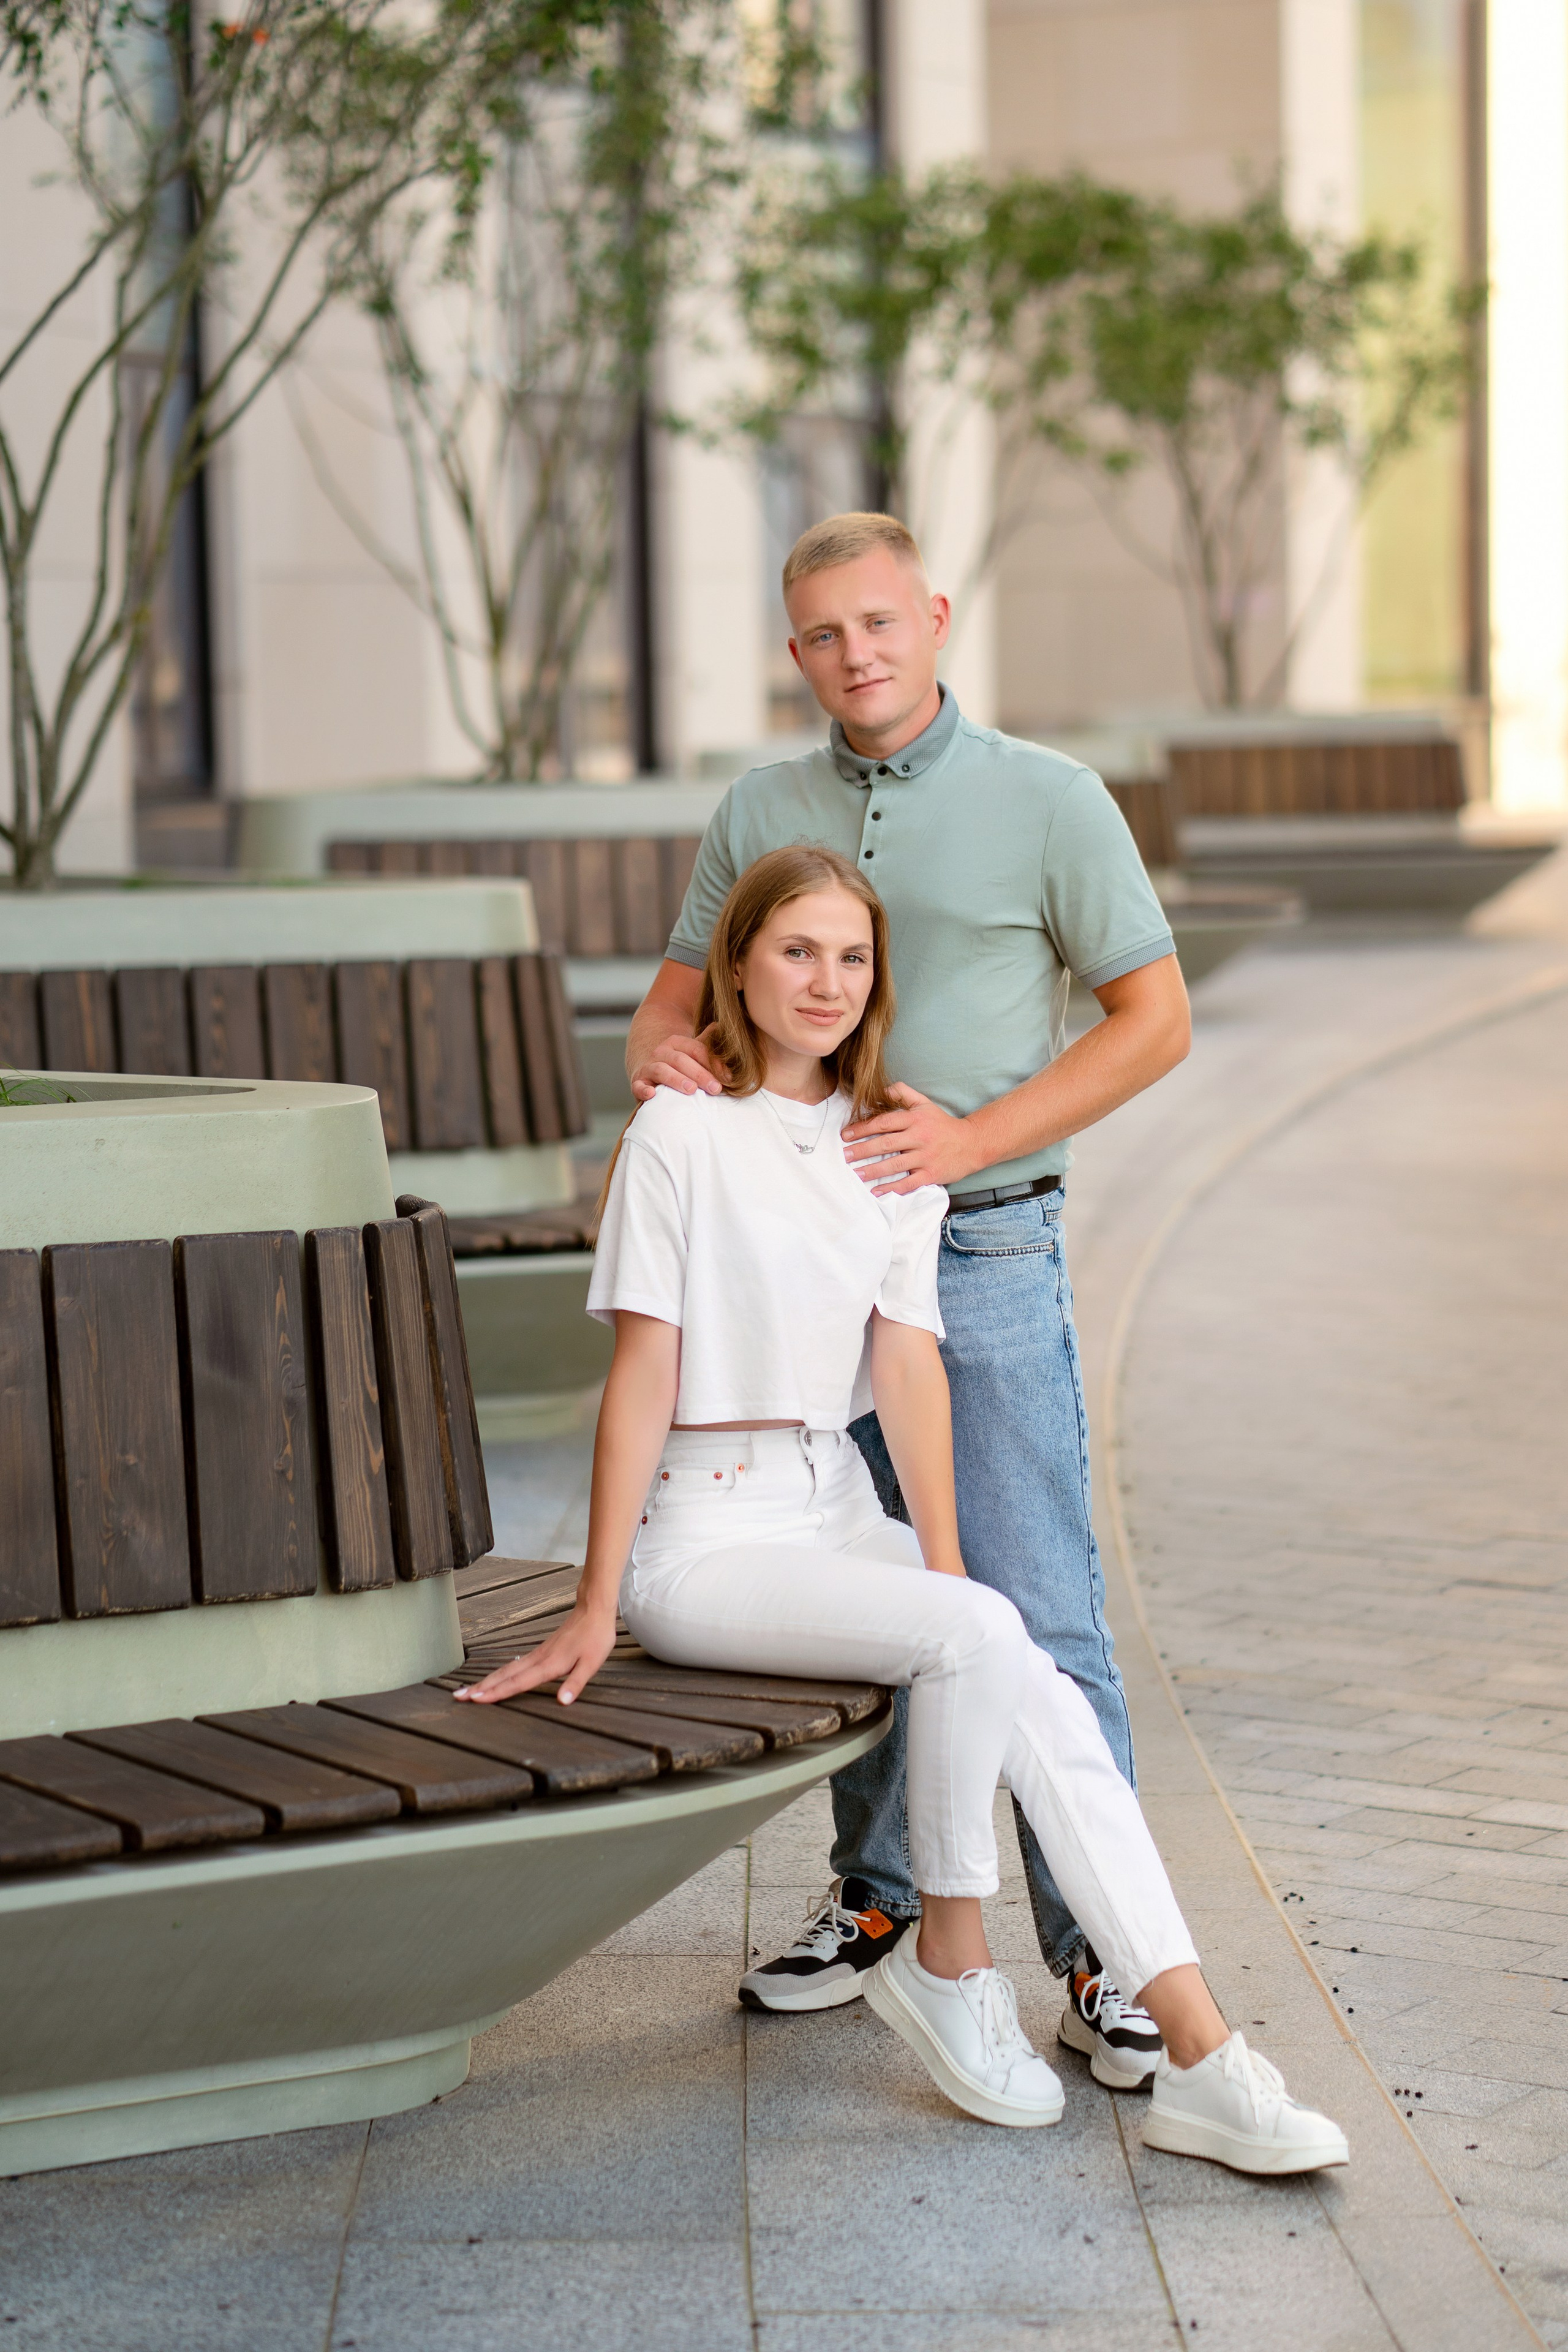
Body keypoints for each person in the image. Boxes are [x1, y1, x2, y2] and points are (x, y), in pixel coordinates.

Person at [459, 845, 1346, 2171]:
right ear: (740, 963)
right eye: (796, 952)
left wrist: (944, 1576)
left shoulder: (890, 1148)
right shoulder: (678, 1133)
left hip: (832, 1503)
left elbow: (904, 1369)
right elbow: (640, 1372)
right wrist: (597, 1599)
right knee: (983, 1638)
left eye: (852, 957)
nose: (825, 982)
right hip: (705, 1543)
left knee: (1023, 1671)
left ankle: (1204, 2055)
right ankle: (950, 1954)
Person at [622, 510, 1188, 2086]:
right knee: (853, 1605)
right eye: (821, 633)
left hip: (982, 1248)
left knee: (1033, 1605)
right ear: (794, 647)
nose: (854, 654)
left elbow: (1155, 1022)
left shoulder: (1049, 800)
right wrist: (658, 1059)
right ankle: (876, 1909)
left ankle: (1102, 1964)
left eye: (879, 624)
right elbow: (675, 996)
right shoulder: (760, 804)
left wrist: (970, 1140)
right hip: (797, 1265)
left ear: (931, 621)